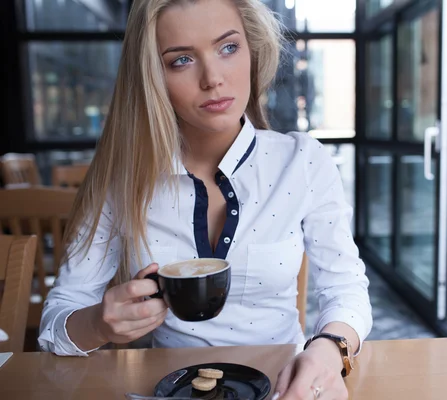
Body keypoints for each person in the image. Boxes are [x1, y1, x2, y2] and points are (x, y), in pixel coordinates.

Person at [37, 1, 372, 399]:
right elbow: (55, 324)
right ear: (152, 76)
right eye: (181, 60)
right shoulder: (121, 178)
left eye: (228, 48)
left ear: (253, 50)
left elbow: (345, 286)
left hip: (286, 387)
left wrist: (329, 350)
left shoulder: (303, 161)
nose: (213, 79)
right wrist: (99, 324)